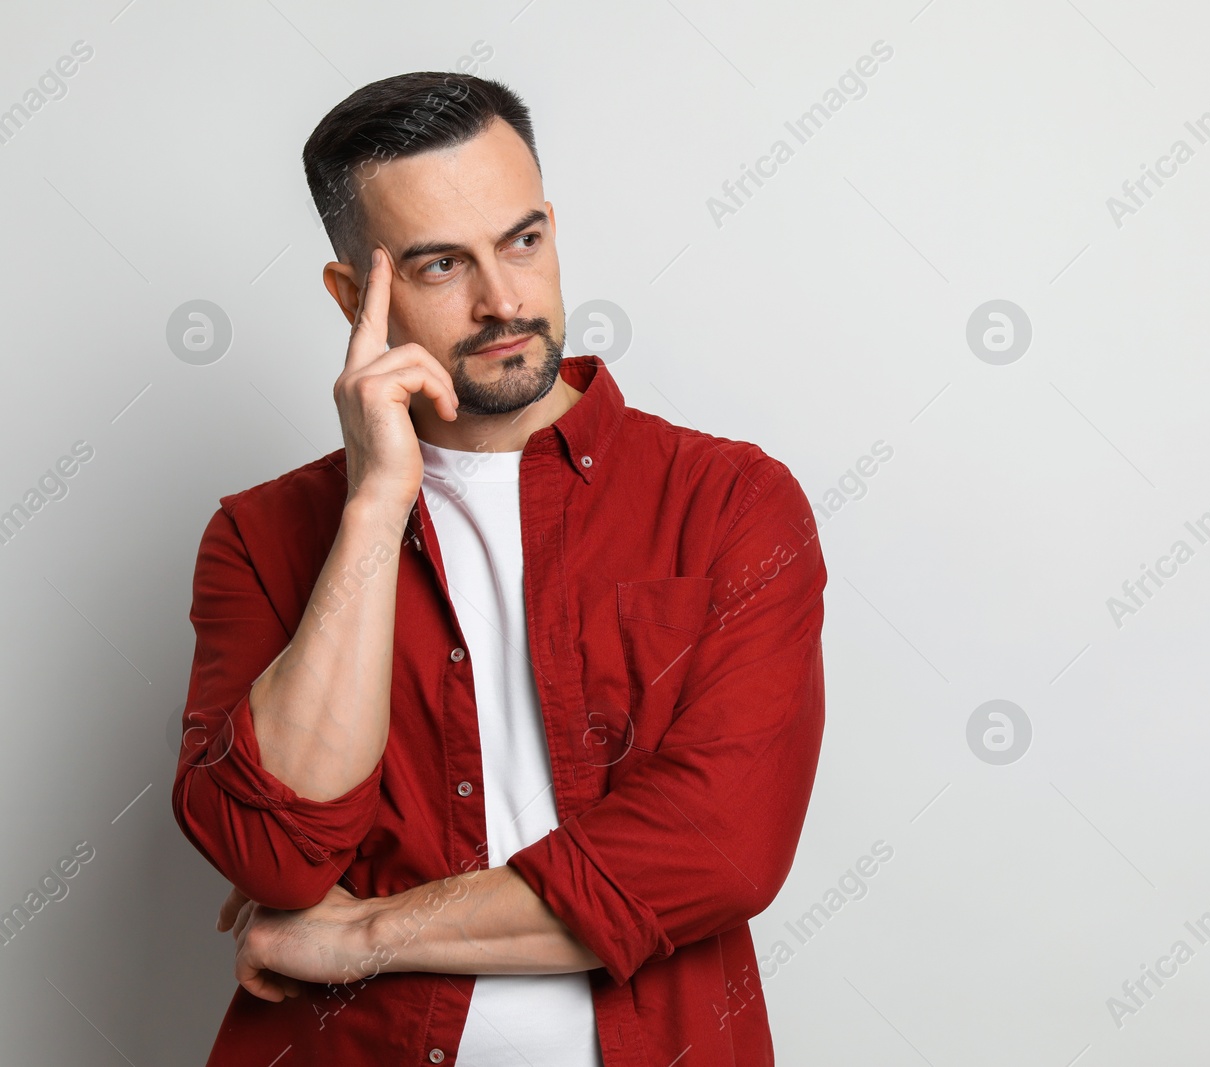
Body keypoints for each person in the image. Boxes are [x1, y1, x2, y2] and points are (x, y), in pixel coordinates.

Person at [171, 71, 827, 1067]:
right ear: (355, 297)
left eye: (523, 240)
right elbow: (273, 850)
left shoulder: (730, 503)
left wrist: (362, 931)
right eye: (440, 267)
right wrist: (375, 503)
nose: (503, 299)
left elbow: (719, 848)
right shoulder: (261, 538)